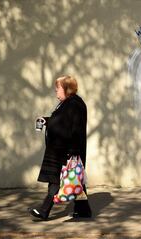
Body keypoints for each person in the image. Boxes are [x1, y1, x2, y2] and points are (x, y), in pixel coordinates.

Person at [29, 75, 92, 220]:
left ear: (66, 88)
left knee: (57, 180)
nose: (56, 92)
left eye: (58, 88)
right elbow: (61, 122)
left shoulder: (74, 104)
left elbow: (76, 127)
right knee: (75, 180)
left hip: (67, 150)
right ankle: (84, 211)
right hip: (63, 149)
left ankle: (44, 210)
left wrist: (73, 152)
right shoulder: (67, 103)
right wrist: (47, 121)